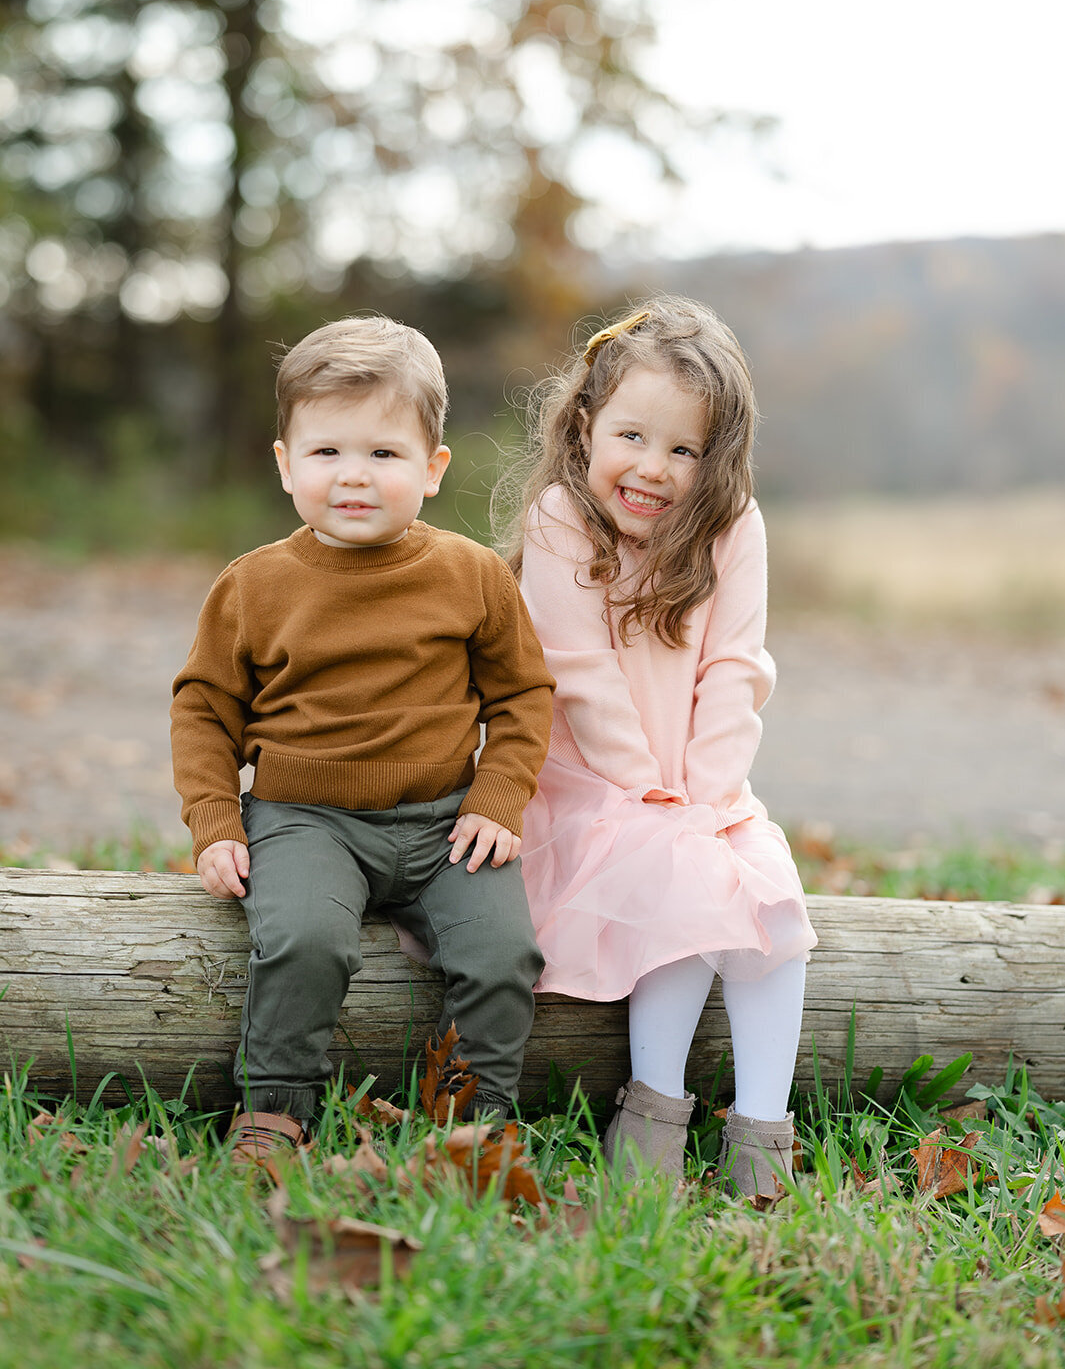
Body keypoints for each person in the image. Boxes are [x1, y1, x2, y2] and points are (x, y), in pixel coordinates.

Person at [171, 316, 555, 1163]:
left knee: (503, 956)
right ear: (284, 464)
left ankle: (472, 1122)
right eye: (326, 453)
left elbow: (524, 692)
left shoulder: (471, 576)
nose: (354, 477)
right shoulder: (255, 584)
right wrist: (213, 820)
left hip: (443, 820)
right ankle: (275, 1109)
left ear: (431, 467)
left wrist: (498, 796)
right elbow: (204, 706)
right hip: (305, 820)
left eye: (383, 454)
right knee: (306, 940)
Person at [496, 297, 817, 1194]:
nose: (652, 468)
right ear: (586, 424)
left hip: (699, 787)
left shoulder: (732, 526)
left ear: (716, 458)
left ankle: (761, 1134)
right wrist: (650, 792)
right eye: (632, 437)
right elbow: (581, 676)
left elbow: (733, 670)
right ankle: (651, 1116)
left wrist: (711, 796)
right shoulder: (562, 517)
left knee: (767, 897)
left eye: (683, 450)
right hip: (585, 782)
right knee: (681, 879)